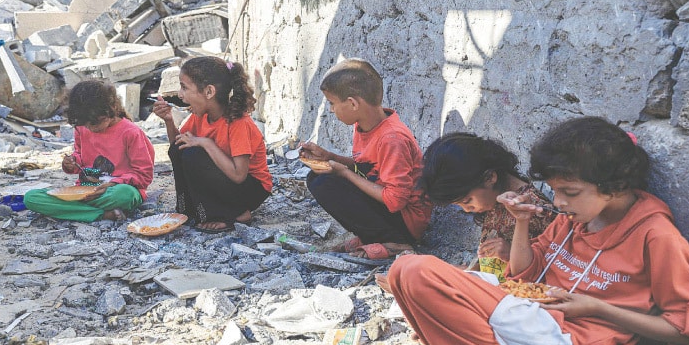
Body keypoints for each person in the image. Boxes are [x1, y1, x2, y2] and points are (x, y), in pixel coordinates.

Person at [387, 117, 689, 345]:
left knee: (415, 271)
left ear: (614, 187)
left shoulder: (657, 236)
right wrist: (521, 223)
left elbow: (687, 332)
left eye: (569, 191)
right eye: (556, 190)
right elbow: (525, 273)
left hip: (572, 344)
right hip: (533, 317)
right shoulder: (575, 218)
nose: (558, 202)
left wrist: (597, 309)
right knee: (403, 274)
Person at [300, 58, 432, 259]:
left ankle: (395, 242)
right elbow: (367, 168)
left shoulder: (391, 138)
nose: (331, 110)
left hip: (406, 223)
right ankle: (371, 236)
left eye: (332, 103)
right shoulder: (364, 126)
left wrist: (343, 172)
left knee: (326, 183)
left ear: (352, 103)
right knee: (316, 178)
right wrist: (329, 157)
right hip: (388, 208)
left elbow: (395, 201)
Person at [153, 57, 271, 233]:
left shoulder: (238, 123)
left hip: (251, 188)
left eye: (184, 87)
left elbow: (239, 175)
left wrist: (206, 143)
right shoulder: (199, 116)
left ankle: (236, 214)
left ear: (209, 92)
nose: (179, 95)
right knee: (181, 150)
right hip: (227, 183)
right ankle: (190, 209)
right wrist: (169, 121)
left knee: (194, 154)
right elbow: (177, 146)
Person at [417, 132, 555, 270]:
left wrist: (511, 254)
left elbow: (555, 270)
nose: (466, 209)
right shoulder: (493, 202)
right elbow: (488, 267)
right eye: (459, 204)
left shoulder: (535, 209)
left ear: (490, 177)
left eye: (467, 201)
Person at [24, 80, 154, 222]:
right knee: (31, 198)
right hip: (85, 191)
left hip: (113, 191)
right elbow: (80, 157)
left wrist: (113, 184)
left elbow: (144, 175)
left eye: (95, 123)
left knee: (125, 195)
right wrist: (72, 163)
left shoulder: (130, 133)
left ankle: (75, 210)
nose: (90, 128)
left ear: (111, 109)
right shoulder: (82, 128)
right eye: (85, 124)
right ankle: (103, 214)